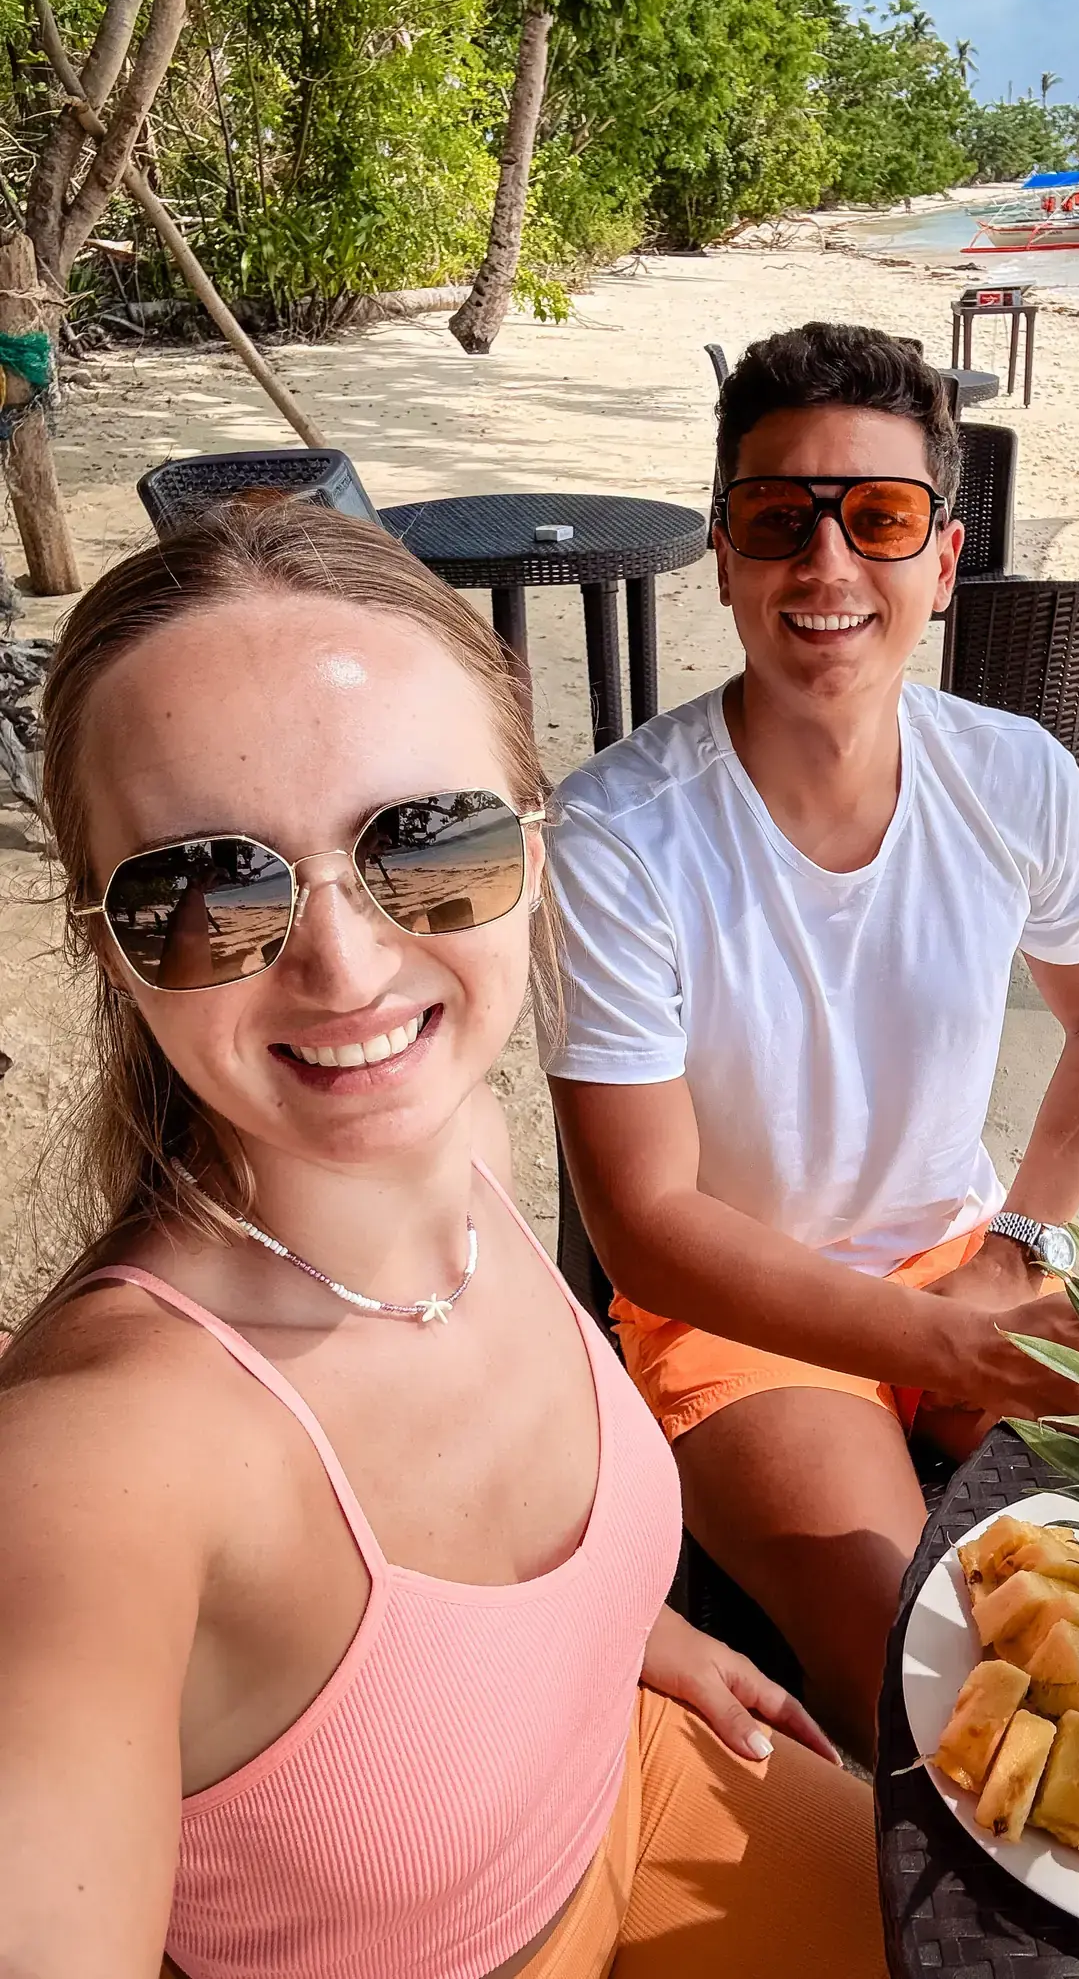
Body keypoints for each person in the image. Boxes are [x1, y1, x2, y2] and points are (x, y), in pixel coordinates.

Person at [0, 502, 887, 1979]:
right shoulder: (104, 1463)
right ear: (109, 939)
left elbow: (452, 1621)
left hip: (637, 1779)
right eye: (208, 891)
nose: (345, 966)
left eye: (425, 842)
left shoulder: (463, 1145)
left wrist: (626, 1637)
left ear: (534, 838)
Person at [548, 322, 1079, 1764]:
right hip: (744, 1316)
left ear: (941, 562)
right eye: (779, 520)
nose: (826, 567)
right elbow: (643, 1229)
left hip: (963, 1259)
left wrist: (1028, 1242)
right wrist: (940, 1341)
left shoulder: (1012, 772)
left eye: (876, 519)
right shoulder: (620, 832)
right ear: (725, 556)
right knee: (927, 1689)